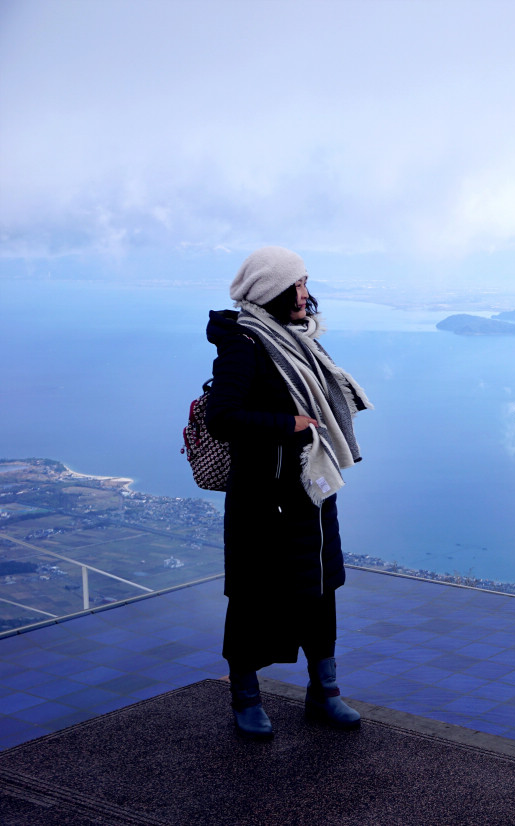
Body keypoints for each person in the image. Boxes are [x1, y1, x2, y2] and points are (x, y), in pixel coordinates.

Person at [205, 246, 373, 739]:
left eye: (305, 283)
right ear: (269, 293)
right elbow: (223, 417)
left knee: (321, 590)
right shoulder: (245, 343)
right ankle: (246, 696)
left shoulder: (299, 341)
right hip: (263, 500)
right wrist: (290, 424)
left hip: (311, 492)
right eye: (294, 286)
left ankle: (325, 692)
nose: (304, 294)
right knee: (254, 596)